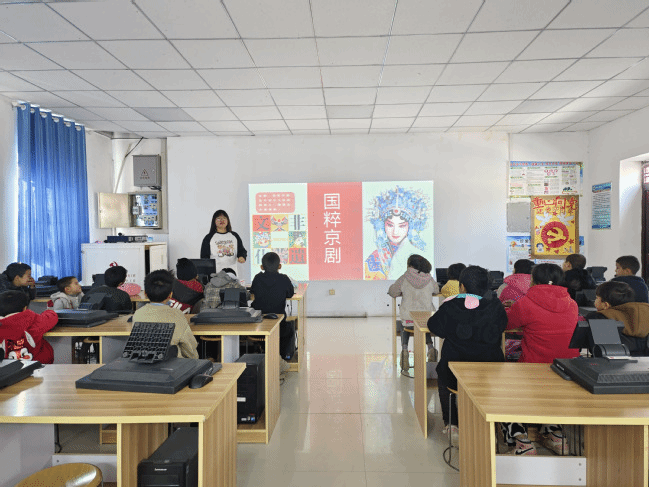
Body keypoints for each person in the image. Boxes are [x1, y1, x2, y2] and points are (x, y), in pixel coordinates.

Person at [503, 263, 579, 455]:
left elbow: (507, 323)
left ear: (533, 280)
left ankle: (521, 441)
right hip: (567, 370)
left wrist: (510, 309)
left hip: (533, 369)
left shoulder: (526, 302)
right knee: (551, 395)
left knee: (504, 391)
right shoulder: (572, 303)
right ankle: (556, 435)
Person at [427, 265, 507, 441]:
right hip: (490, 371)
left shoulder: (451, 305)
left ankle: (452, 424)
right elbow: (503, 326)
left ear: (462, 286)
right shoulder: (495, 305)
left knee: (442, 375)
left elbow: (434, 326)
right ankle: (490, 422)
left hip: (455, 372)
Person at [364, 186, 431, 280]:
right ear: (382, 225)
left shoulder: (419, 253)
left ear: (410, 226)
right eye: (390, 225)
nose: (395, 231)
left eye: (402, 226)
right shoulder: (374, 258)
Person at [387, 254, 439, 371]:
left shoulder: (404, 278)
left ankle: (404, 351)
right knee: (423, 324)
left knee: (404, 324)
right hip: (426, 318)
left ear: (410, 265)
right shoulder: (429, 279)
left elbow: (393, 292)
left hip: (408, 319)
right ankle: (431, 348)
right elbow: (436, 290)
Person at [133, 270, 198, 359]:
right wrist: (195, 359)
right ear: (170, 295)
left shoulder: (138, 314)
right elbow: (189, 347)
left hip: (145, 363)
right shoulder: (176, 315)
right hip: (172, 363)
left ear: (145, 293)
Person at [250, 252, 295, 369]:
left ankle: (262, 354)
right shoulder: (284, 279)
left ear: (261, 267)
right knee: (290, 329)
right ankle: (281, 358)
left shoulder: (257, 278)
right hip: (279, 325)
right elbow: (290, 294)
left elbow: (252, 292)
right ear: (279, 266)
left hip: (258, 324)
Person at [584, 281, 649, 355]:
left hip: (615, 361)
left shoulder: (599, 317)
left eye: (597, 298)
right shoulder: (645, 313)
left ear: (606, 305)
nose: (594, 301)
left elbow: (600, 351)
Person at [0, 290, 58, 363]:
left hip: (6, 368)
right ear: (25, 308)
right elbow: (52, 318)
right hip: (38, 365)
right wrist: (48, 311)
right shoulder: (33, 320)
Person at [200, 210, 247, 274]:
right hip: (215, 274)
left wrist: (242, 256)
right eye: (218, 218)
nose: (221, 220)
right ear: (214, 221)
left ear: (228, 221)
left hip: (233, 273)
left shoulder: (234, 236)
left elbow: (241, 250)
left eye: (224, 218)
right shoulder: (209, 237)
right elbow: (204, 258)